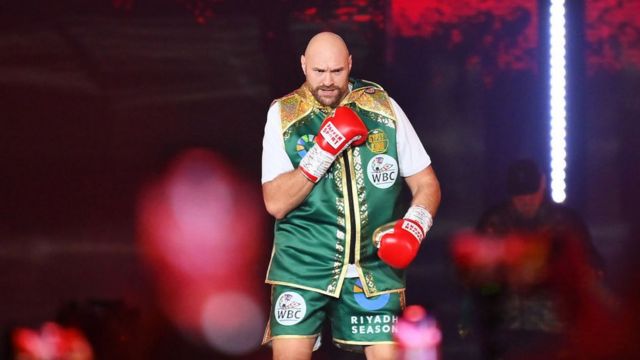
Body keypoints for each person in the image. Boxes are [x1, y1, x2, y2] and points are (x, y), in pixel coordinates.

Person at [260, 32, 441, 360]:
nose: (327, 81)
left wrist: (414, 226)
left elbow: (427, 183)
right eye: (319, 71)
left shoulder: (382, 108)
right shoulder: (284, 116)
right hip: (303, 263)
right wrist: (322, 152)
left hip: (373, 263)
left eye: (336, 71)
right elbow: (275, 203)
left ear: (350, 65)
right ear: (303, 65)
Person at [457, 158, 604, 359]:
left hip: (556, 334)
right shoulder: (493, 223)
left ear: (542, 184)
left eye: (531, 194)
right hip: (505, 334)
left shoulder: (566, 224)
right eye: (519, 197)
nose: (526, 201)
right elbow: (471, 277)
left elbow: (592, 269)